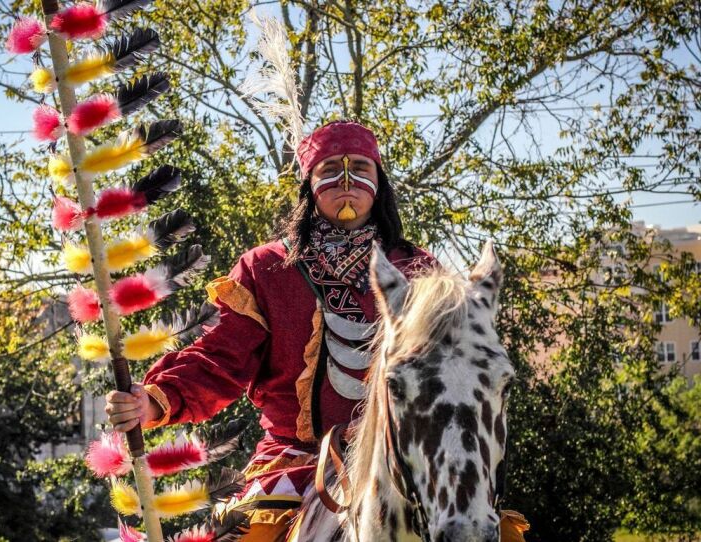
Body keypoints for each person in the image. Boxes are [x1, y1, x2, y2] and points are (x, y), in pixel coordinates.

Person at [105, 120, 529, 541]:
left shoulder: (418, 271)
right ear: (309, 184)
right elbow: (220, 358)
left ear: (379, 182)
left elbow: (451, 371)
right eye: (330, 171)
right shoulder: (266, 268)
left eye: (360, 168)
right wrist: (155, 401)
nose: (347, 181)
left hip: (403, 459)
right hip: (293, 463)